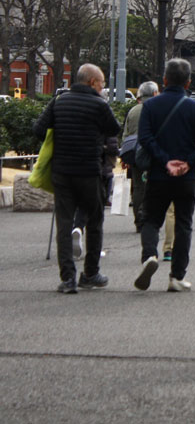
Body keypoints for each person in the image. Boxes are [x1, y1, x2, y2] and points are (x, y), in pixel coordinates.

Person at [33, 64, 120, 293]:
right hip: (89, 171)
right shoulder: (99, 104)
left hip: (61, 171)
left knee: (64, 222)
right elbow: (114, 128)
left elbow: (38, 129)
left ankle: (68, 279)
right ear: (92, 82)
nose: (103, 87)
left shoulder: (59, 101)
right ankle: (90, 273)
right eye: (102, 83)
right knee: (94, 220)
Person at [134, 58, 195, 292]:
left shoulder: (150, 107)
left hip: (159, 174)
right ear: (188, 82)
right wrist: (188, 163)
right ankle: (176, 276)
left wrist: (164, 160)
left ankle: (150, 255)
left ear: (165, 80)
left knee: (151, 219)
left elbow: (145, 139)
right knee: (183, 224)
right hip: (187, 179)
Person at [122, 81, 159, 233]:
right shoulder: (158, 109)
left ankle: (138, 219)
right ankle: (151, 217)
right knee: (155, 186)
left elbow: (125, 134)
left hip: (135, 152)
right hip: (155, 152)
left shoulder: (133, 111)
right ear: (155, 94)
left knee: (137, 187)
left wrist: (124, 158)